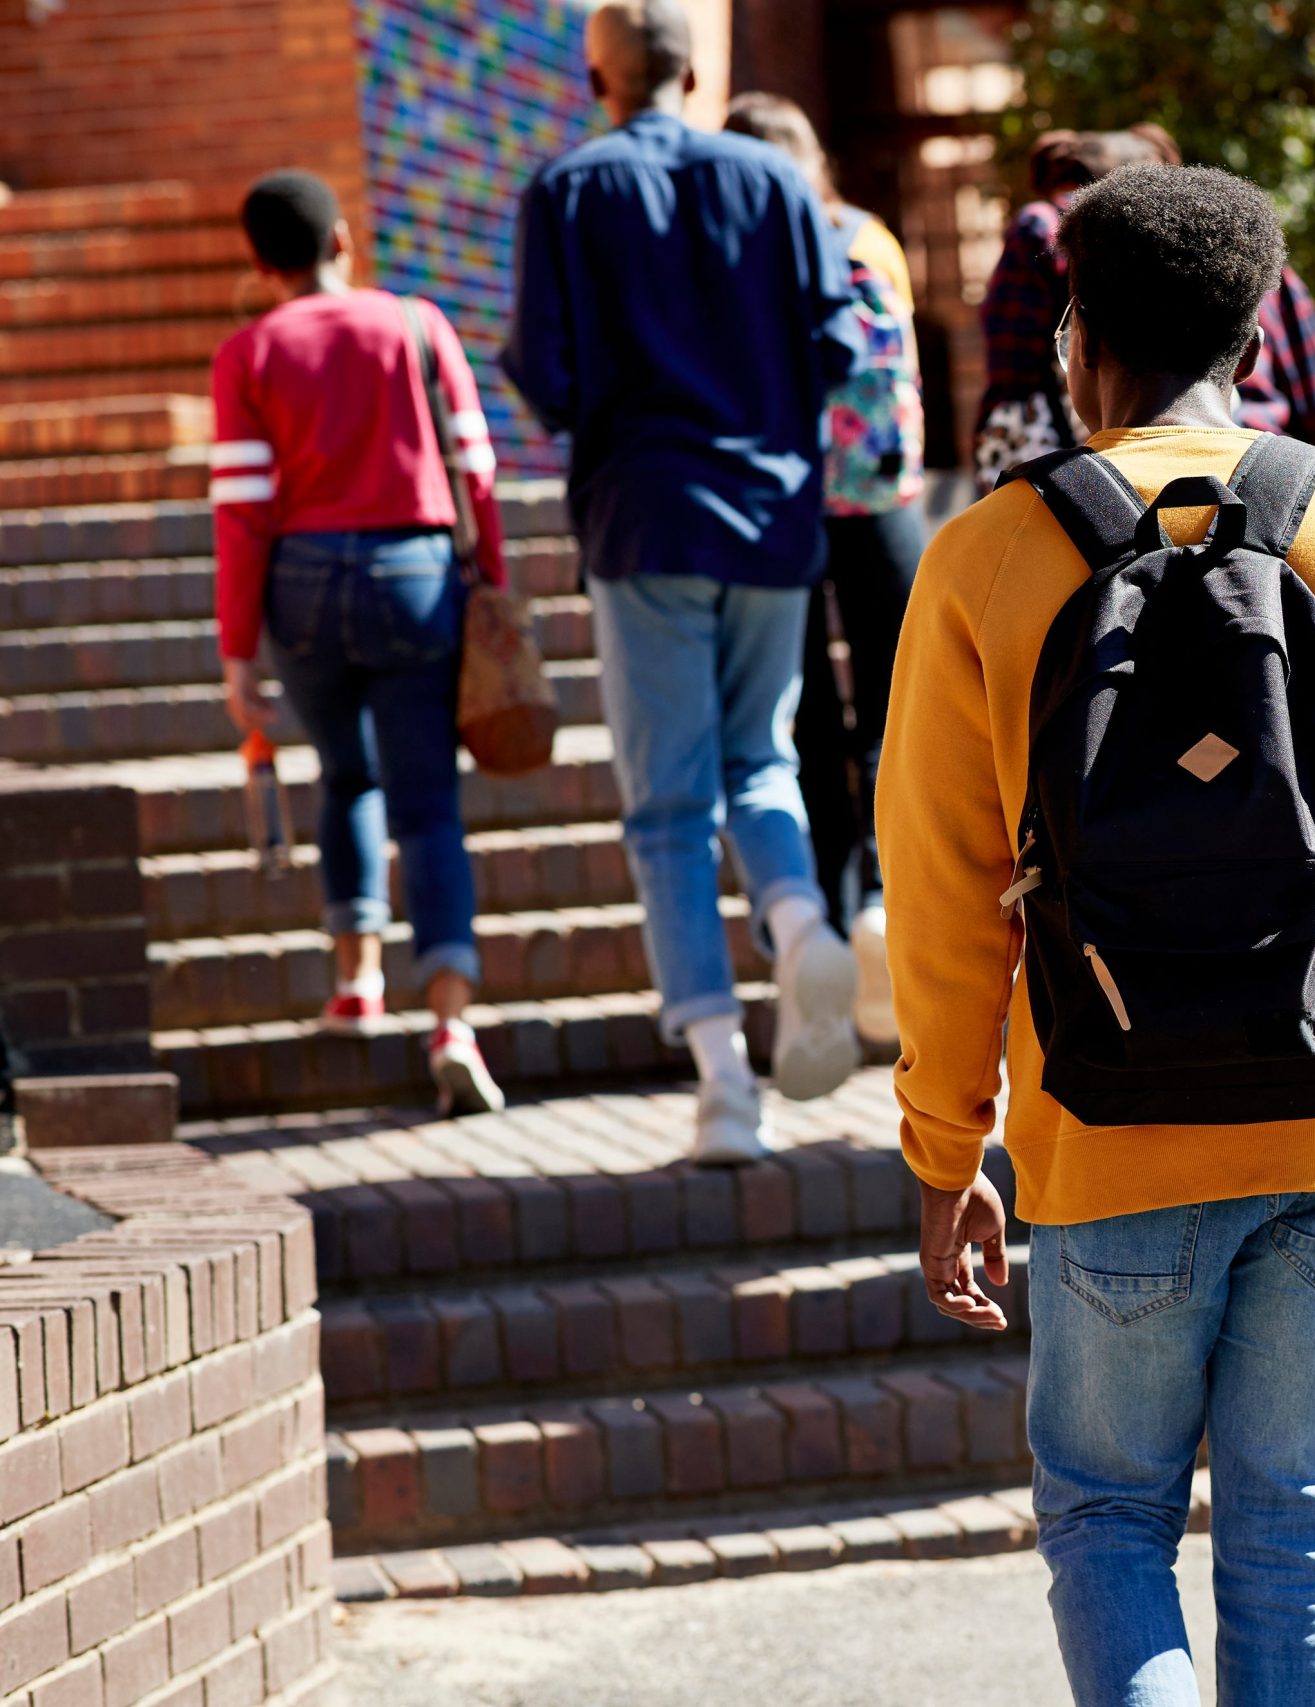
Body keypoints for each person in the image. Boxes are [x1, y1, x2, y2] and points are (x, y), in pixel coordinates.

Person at [882, 163, 1315, 1706]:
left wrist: (943, 1146)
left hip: (1102, 1130)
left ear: (1075, 336)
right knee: (1296, 1539)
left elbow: (944, 891)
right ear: (1256, 326)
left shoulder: (980, 560)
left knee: (1107, 1518)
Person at [503, 0, 864, 1164]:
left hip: (644, 513)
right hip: (769, 513)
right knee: (760, 756)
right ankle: (800, 917)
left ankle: (722, 1085)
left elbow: (544, 368)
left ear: (595, 73)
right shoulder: (771, 179)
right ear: (698, 68)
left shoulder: (566, 189)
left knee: (667, 804)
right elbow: (838, 344)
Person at [210, 169, 506, 1118]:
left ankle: (356, 979)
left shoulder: (249, 352)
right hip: (415, 573)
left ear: (260, 264)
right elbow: (476, 466)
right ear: (343, 239)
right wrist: (492, 584)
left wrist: (237, 648)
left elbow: (242, 511)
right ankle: (453, 1020)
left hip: (301, 586)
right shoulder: (417, 325)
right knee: (429, 805)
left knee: (347, 776)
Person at [723, 91, 925, 1058]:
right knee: (898, 717)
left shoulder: (744, 250)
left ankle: (835, 925)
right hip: (884, 500)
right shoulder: (868, 236)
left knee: (803, 723)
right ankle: (893, 902)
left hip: (783, 498)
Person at [969, 128, 1315, 489]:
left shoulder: (1046, 227)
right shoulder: (1231, 233)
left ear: (1080, 340)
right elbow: (1314, 376)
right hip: (1260, 469)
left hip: (1098, 482)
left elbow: (1011, 377)